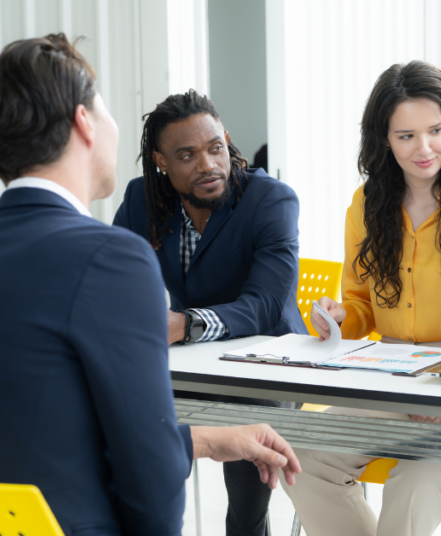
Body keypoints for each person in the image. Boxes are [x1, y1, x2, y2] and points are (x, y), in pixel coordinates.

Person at [0, 34, 300, 536]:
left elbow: (50, 430)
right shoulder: (112, 258)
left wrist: (200, 439)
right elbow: (150, 482)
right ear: (84, 122)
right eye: (107, 109)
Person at [281, 60, 441, 536]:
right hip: (395, 378)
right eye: (406, 136)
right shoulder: (366, 206)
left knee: (413, 482)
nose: (425, 148)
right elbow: (359, 307)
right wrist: (336, 317)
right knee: (303, 457)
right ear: (384, 140)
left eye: (435, 130)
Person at [111, 90, 304, 536]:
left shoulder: (271, 200)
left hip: (269, 366)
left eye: (215, 147)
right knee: (121, 415)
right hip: (189, 365)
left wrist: (185, 323)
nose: (207, 165)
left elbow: (265, 306)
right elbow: (111, 272)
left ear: (227, 140)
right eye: (187, 155)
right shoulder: (144, 199)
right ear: (161, 161)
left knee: (245, 474)